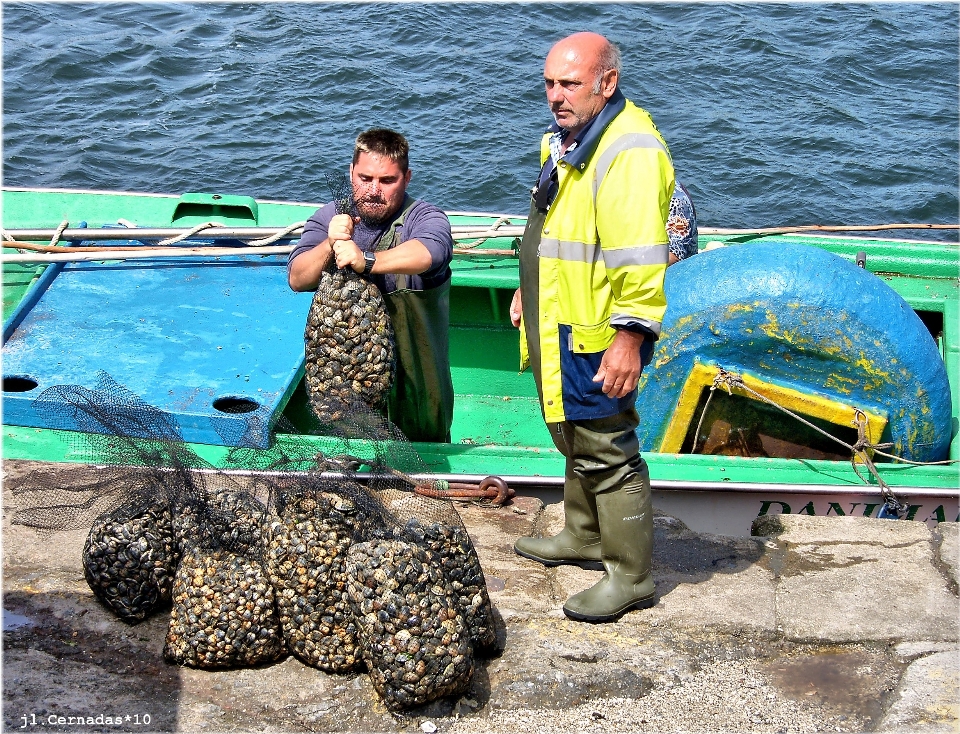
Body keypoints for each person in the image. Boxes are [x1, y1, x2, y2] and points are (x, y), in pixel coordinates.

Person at [510, 32, 674, 623]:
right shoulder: (566, 139)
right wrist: (529, 292)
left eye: (570, 84)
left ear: (606, 83)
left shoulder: (627, 152)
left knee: (608, 449)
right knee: (574, 435)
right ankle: (582, 535)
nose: (556, 95)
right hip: (558, 315)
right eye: (550, 83)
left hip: (598, 332)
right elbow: (558, 232)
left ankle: (631, 576)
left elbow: (639, 257)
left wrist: (630, 339)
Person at [288, 128, 455, 443]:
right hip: (346, 384)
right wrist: (329, 244)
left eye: (387, 181)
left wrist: (365, 260)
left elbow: (431, 252)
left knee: (423, 451)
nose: (374, 190)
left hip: (415, 388)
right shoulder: (330, 217)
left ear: (406, 178)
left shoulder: (425, 217)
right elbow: (297, 278)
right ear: (351, 173)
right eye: (365, 178)